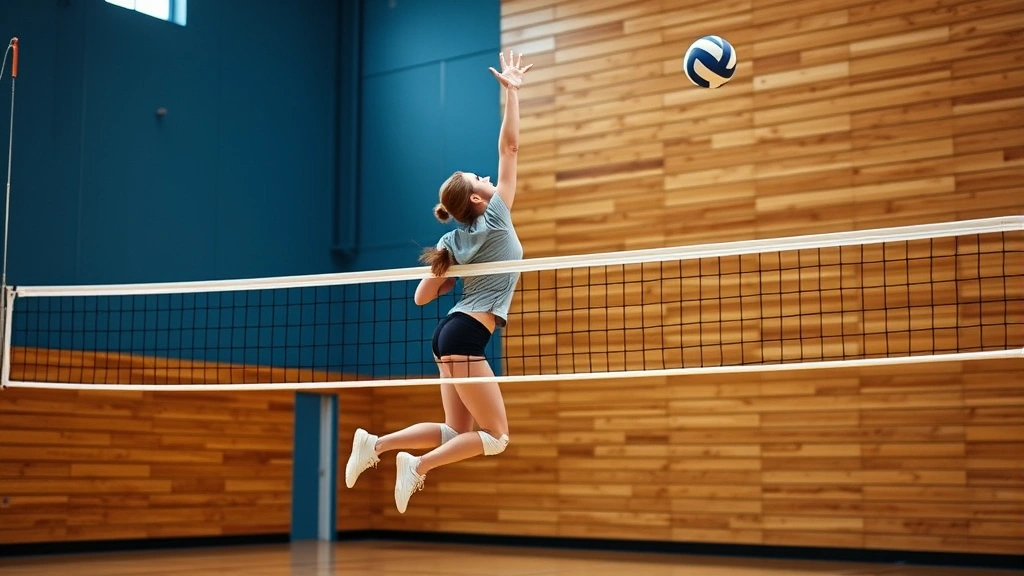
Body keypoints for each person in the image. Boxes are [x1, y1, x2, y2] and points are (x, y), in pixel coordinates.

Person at [343, 50, 533, 513]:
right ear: (477, 196)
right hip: (466, 336)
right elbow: (509, 150)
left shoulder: (452, 239)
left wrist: (448, 278)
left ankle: (376, 444)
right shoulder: (496, 218)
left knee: (458, 432)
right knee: (496, 436)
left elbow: (421, 295)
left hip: (448, 333)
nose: (488, 177)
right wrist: (512, 93)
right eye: (479, 178)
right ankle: (417, 466)